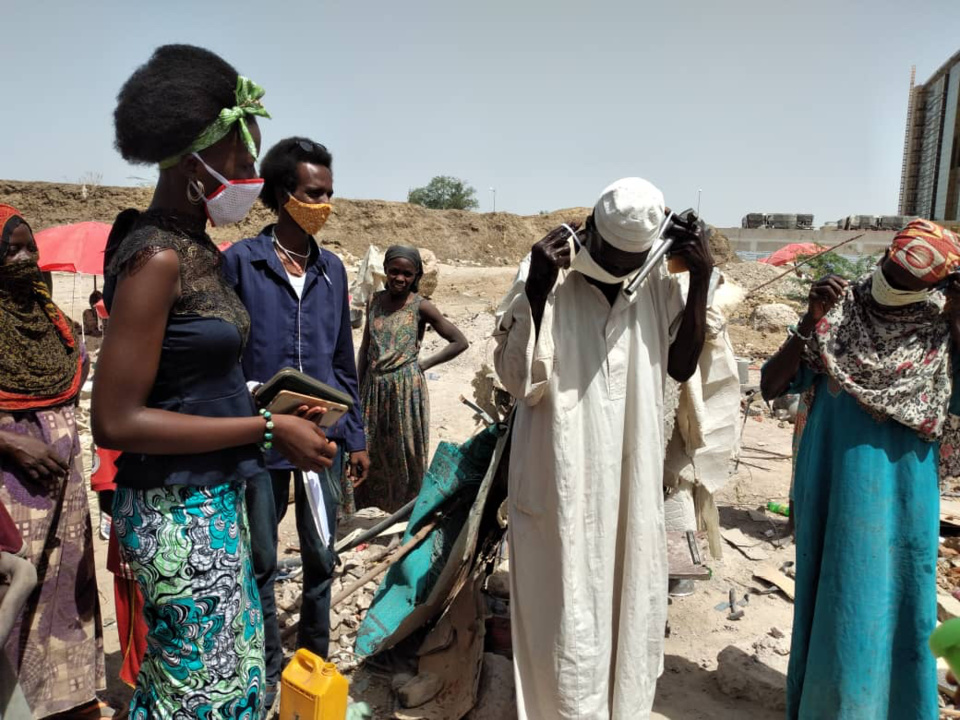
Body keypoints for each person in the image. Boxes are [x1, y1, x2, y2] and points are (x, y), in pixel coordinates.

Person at [91, 45, 337, 718]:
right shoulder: (157, 256)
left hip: (212, 495)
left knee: (229, 684)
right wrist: (266, 427)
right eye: (243, 163)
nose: (254, 178)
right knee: (199, 693)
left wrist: (269, 407)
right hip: (174, 512)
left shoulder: (199, 249)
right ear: (192, 162)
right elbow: (114, 421)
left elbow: (189, 377)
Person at [494, 178, 712, 719]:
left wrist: (702, 276)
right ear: (588, 231)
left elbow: (681, 366)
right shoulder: (546, 270)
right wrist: (539, 290)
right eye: (610, 259)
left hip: (629, 469)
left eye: (629, 261)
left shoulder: (658, 276)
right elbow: (516, 381)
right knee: (563, 601)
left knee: (627, 589)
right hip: (557, 466)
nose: (620, 272)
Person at [761, 219, 960, 719]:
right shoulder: (838, 314)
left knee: (900, 602)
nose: (892, 282)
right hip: (832, 484)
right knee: (836, 600)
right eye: (891, 268)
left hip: (905, 498)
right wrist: (809, 320)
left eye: (908, 278)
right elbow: (770, 384)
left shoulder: (939, 335)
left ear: (935, 287)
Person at [222, 136, 369, 706]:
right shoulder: (240, 262)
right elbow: (227, 357)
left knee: (320, 559)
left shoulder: (331, 269)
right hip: (259, 440)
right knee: (260, 561)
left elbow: (341, 359)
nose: (325, 203)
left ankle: (314, 664)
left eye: (330, 192)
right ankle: (263, 667)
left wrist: (354, 435)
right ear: (284, 195)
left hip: (323, 440)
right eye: (314, 192)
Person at [0, 204, 106, 717]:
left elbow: (76, 369)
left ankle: (65, 698)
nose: (23, 259)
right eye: (10, 249)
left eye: (29, 248)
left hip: (64, 492)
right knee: (13, 591)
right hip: (10, 491)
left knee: (63, 586)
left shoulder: (53, 320)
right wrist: (9, 440)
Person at [356, 245, 469, 512]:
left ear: (416, 275)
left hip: (407, 390)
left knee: (405, 453)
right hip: (373, 388)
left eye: (407, 274)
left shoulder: (422, 307)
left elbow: (459, 341)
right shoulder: (374, 301)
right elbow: (365, 347)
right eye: (394, 271)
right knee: (370, 448)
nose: (399, 278)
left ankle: (405, 515)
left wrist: (425, 363)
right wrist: (357, 386)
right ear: (385, 271)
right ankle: (374, 511)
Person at [662, 270, 742, 596]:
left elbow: (708, 332)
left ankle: (677, 573)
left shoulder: (691, 286)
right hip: (658, 397)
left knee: (674, 482)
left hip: (674, 404)